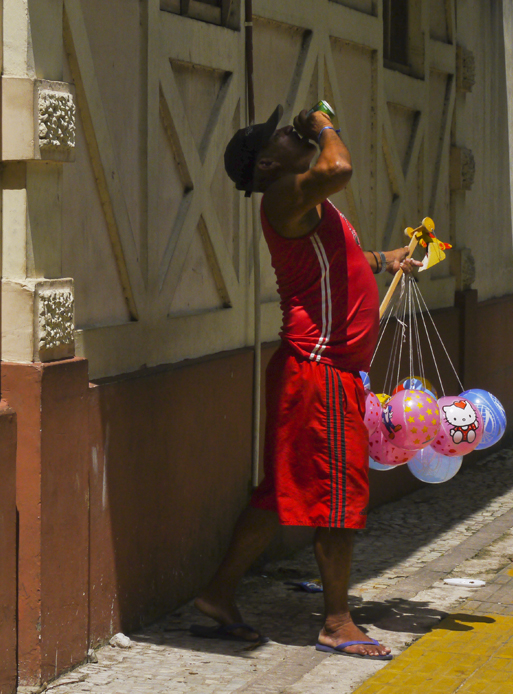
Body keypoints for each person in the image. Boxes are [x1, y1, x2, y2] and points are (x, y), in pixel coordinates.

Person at [191, 104, 419, 660]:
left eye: (298, 130)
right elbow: (339, 168)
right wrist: (322, 126)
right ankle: (337, 623)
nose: (297, 135)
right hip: (321, 377)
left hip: (314, 374)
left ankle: (218, 595)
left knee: (279, 493)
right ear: (269, 162)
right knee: (339, 499)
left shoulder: (299, 200)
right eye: (286, 137)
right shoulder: (285, 194)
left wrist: (385, 259)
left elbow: (340, 256)